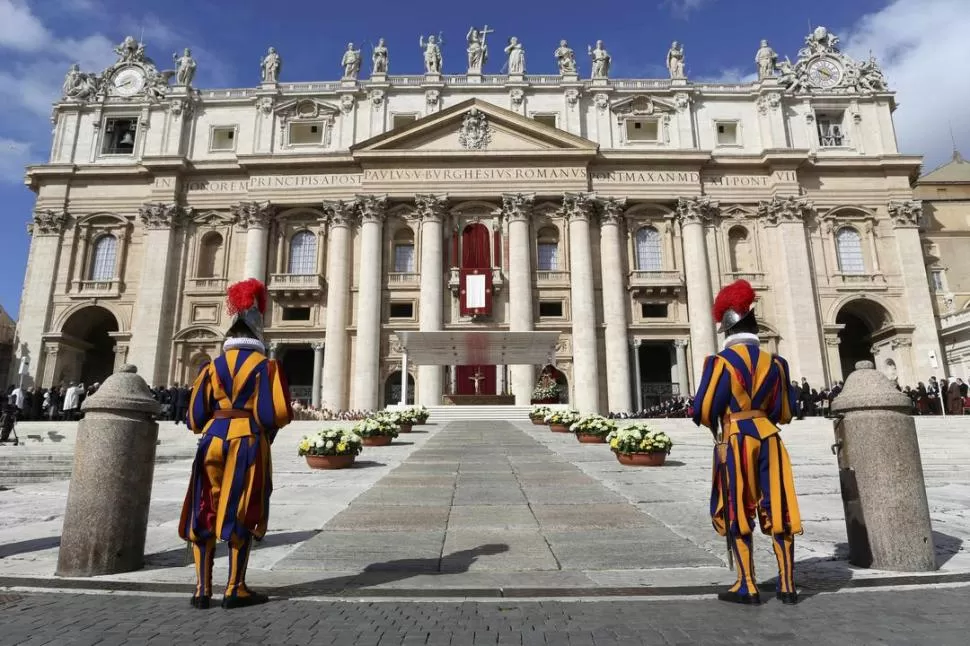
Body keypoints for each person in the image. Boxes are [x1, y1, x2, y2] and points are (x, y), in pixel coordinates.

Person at [178, 278, 292, 610]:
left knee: (205, 508)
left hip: (211, 440)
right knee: (241, 508)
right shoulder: (266, 366)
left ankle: (201, 589)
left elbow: (195, 416)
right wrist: (262, 428)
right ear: (257, 335)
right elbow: (277, 413)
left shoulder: (210, 367)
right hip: (247, 441)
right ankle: (235, 588)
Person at [692, 279, 802, 605]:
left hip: (736, 439)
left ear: (727, 331)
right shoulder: (777, 363)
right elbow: (786, 411)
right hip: (770, 439)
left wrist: (712, 418)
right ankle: (787, 586)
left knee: (738, 507)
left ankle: (747, 584)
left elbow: (704, 408)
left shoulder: (720, 363)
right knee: (777, 507)